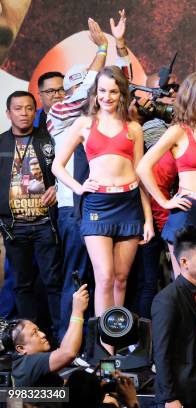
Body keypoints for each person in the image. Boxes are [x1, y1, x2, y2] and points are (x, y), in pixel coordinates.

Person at [52, 66, 154, 335]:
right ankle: (105, 347)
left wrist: (149, 219)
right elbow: (57, 166)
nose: (107, 97)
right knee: (105, 277)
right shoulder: (85, 123)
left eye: (113, 91)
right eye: (102, 91)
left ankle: (116, 342)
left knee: (121, 279)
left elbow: (141, 174)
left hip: (129, 206)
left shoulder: (133, 128)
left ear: (122, 94)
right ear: (95, 93)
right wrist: (80, 188)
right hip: (97, 207)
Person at [137, 72, 196, 302]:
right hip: (187, 213)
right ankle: (190, 340)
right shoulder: (178, 130)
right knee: (189, 295)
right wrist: (165, 201)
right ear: (195, 97)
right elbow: (143, 167)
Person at [0, 90, 62, 340]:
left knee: (53, 283)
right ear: (8, 113)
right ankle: (29, 339)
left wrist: (56, 188)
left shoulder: (49, 140)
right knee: (21, 284)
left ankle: (60, 338)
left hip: (46, 224)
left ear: (34, 112)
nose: (23, 113)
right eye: (18, 108)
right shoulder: (1, 143)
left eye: (28, 108)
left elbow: (64, 173)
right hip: (13, 227)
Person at [151, 226, 196, 408]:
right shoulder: (166, 299)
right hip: (179, 393)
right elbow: (161, 352)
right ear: (184, 262)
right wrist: (169, 398)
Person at [1, 284, 88, 387]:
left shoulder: (23, 364)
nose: (43, 334)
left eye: (39, 330)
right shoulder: (26, 364)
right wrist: (78, 311)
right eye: (35, 333)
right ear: (21, 348)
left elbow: (59, 389)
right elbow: (67, 353)